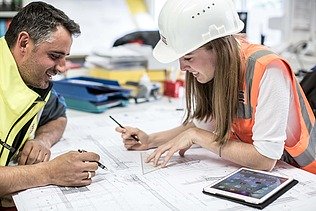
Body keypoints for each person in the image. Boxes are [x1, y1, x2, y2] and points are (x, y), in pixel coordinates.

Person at [115, 0, 316, 174]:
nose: (182, 67)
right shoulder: (216, 69)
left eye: (188, 57)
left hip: (304, 176)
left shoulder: (268, 69)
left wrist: (198, 137)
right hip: (274, 175)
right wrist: (150, 140)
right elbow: (202, 125)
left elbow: (265, 159)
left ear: (217, 48)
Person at [0, 1, 100, 207]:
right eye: (54, 56)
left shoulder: (33, 80)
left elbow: (58, 116)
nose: (62, 68)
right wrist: (49, 172)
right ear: (24, 43)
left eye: (65, 58)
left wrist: (42, 141)